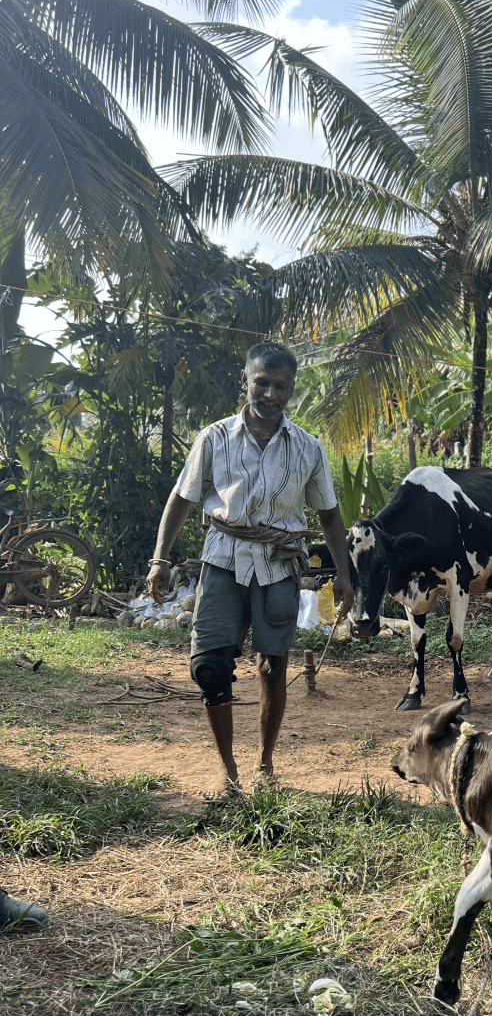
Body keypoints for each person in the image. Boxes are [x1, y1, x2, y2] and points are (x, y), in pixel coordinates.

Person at [146, 340, 354, 797]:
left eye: (281, 386)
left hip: (278, 566)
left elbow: (330, 514)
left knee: (271, 667)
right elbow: (182, 498)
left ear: (291, 389)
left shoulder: (307, 447)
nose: (271, 394)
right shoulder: (215, 438)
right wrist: (161, 557)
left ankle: (263, 763)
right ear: (246, 381)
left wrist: (343, 573)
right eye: (262, 383)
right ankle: (227, 768)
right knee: (209, 666)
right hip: (222, 559)